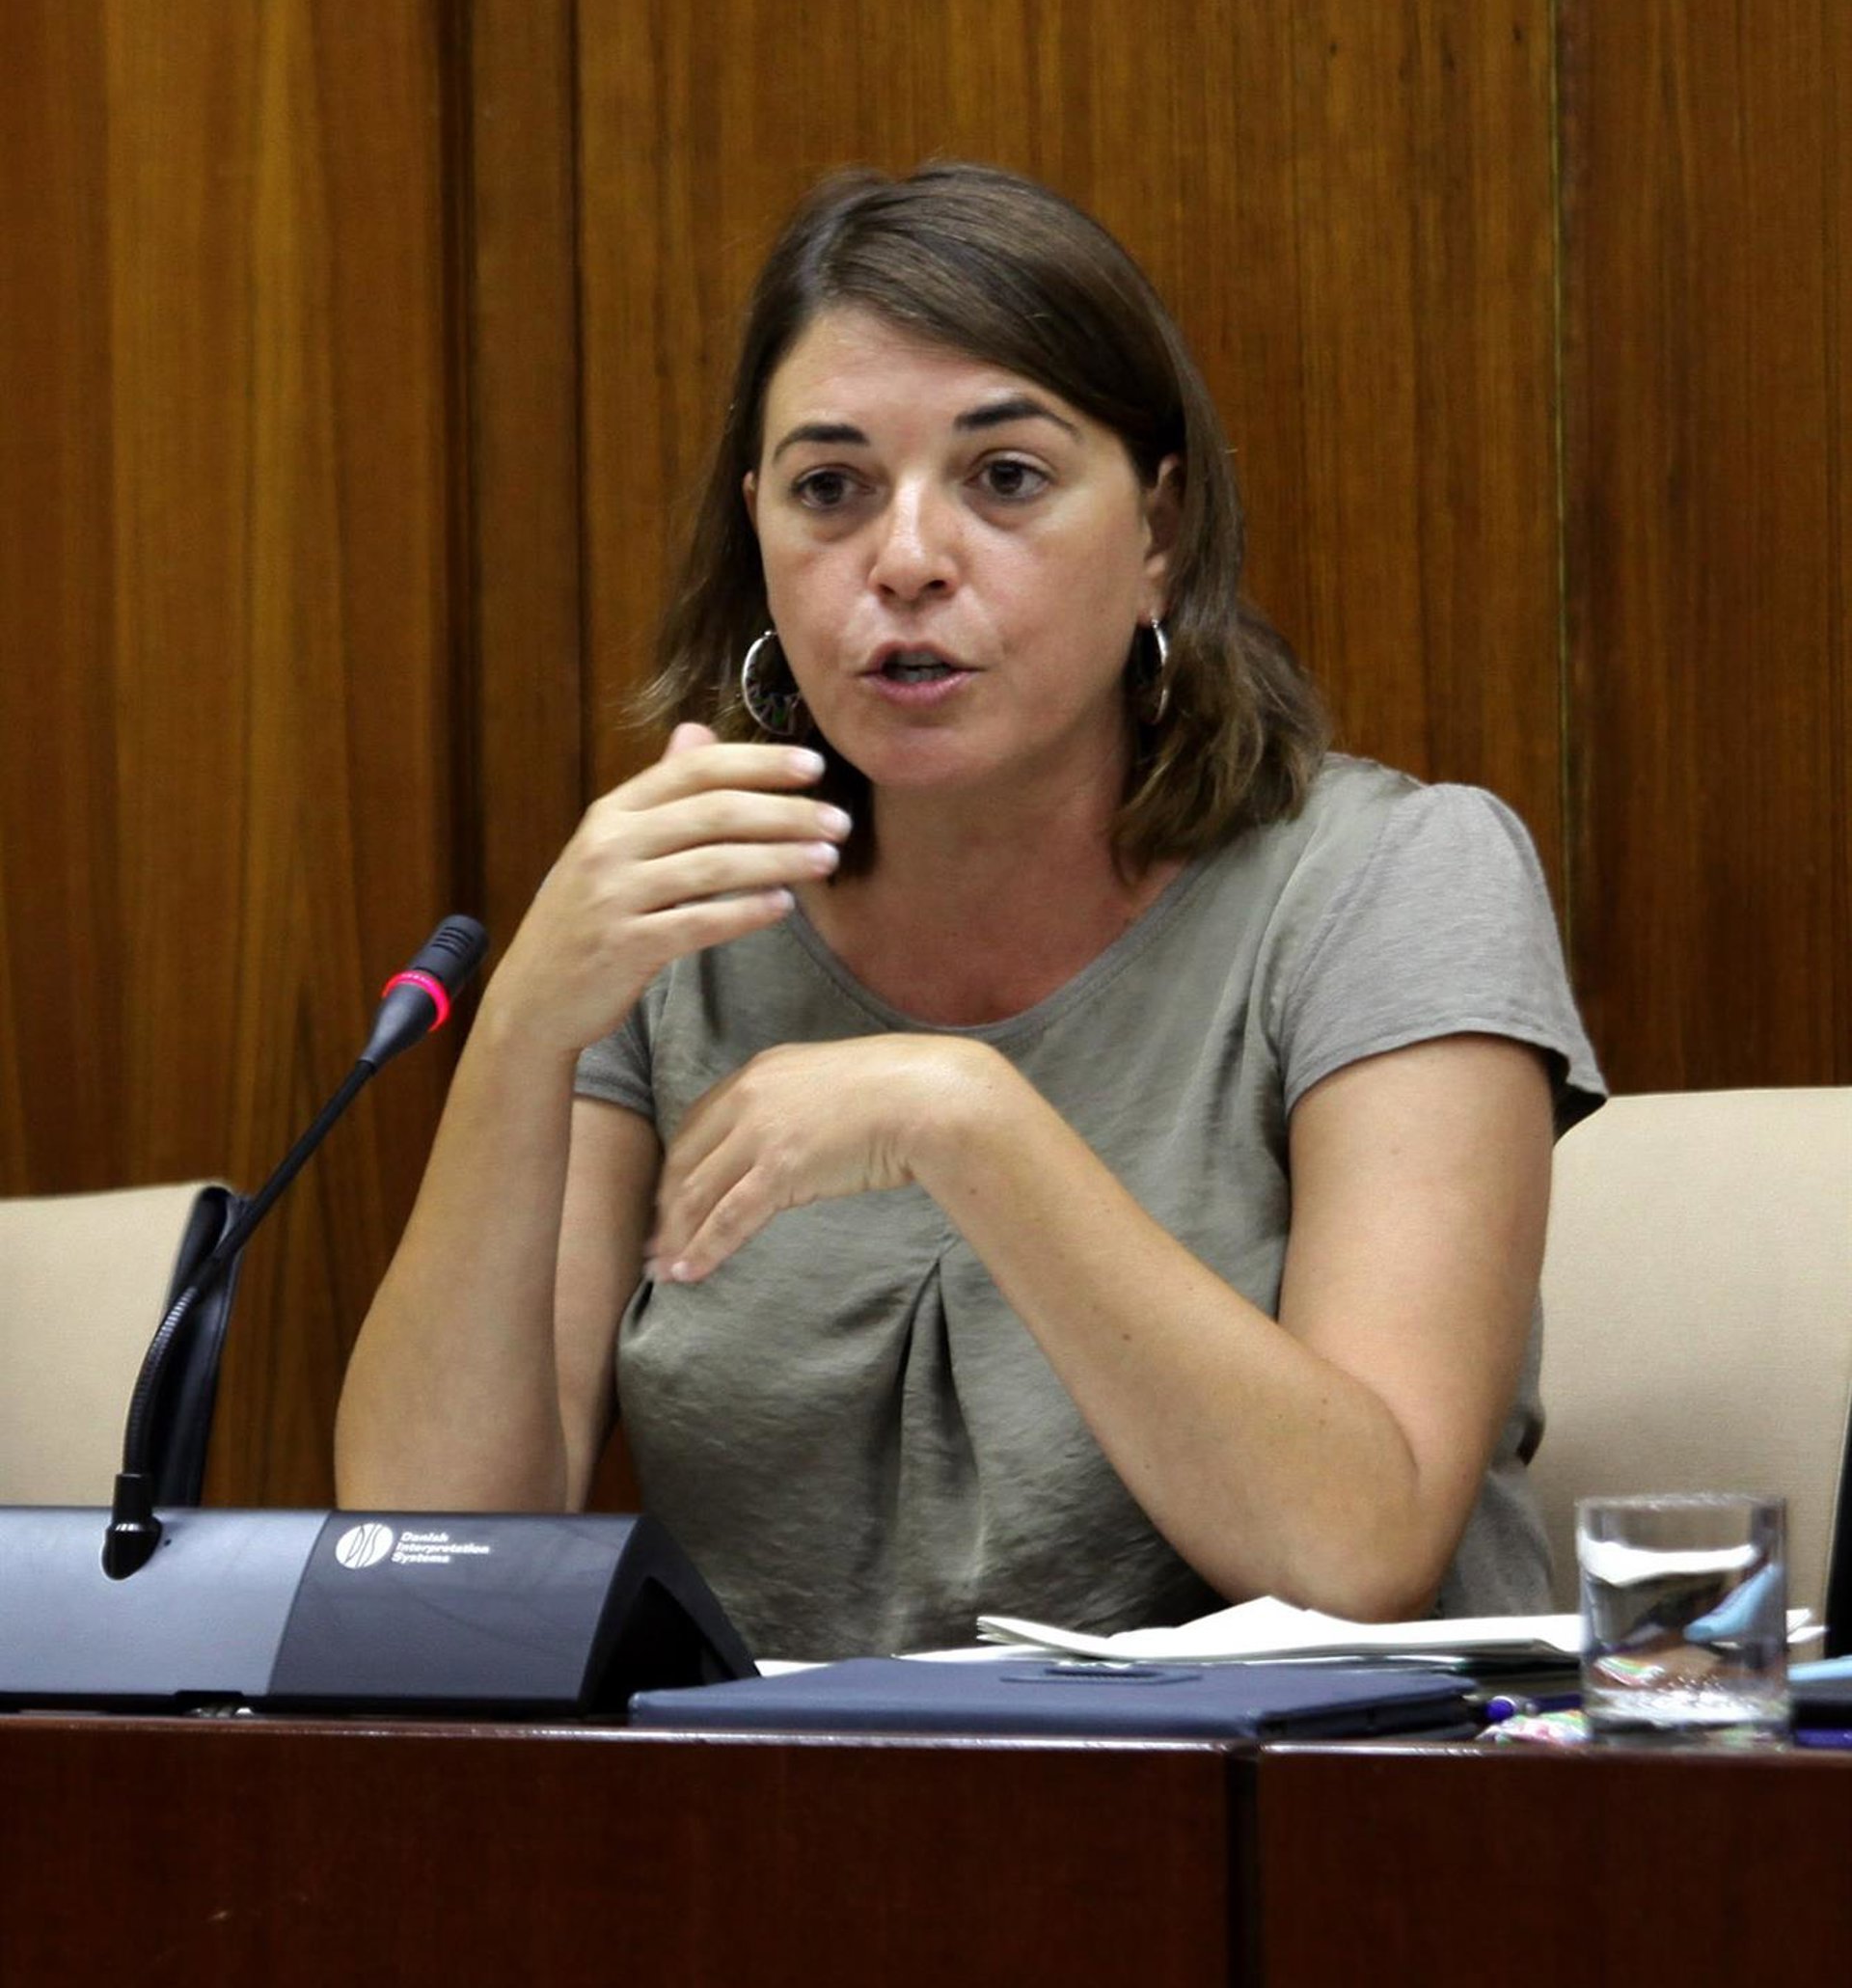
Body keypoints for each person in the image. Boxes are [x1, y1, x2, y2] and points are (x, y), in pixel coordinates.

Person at [335, 162, 1603, 1660]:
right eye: (831, 489)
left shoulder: (1391, 879)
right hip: (786, 1797)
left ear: (1159, 531)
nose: (907, 560)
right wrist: (527, 1030)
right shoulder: (689, 925)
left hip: (1297, 1795)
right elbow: (432, 1563)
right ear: (757, 537)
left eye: (1004, 478)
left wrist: (961, 1117)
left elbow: (1357, 1542)